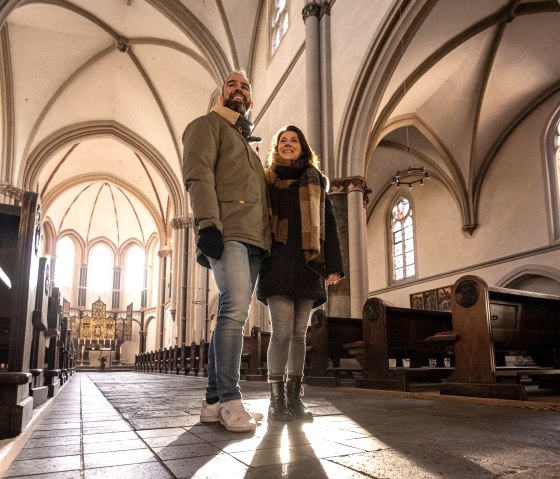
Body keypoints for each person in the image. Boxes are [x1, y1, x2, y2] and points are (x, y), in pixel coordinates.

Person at [182, 69, 271, 433]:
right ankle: (231, 399)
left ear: (250, 99)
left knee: (232, 313)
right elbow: (198, 174)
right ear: (223, 96)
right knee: (233, 312)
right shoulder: (208, 125)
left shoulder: (247, 144)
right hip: (228, 231)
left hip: (253, 237)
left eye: (244, 86)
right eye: (232, 84)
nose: (239, 89)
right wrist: (207, 224)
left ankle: (213, 401)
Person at [256, 125, 344, 422]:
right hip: (277, 262)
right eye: (283, 141)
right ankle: (276, 400)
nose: (288, 144)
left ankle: (294, 398)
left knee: (298, 335)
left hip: (309, 264)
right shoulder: (267, 180)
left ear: (303, 147)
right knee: (281, 333)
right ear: (276, 148)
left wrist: (334, 265)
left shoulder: (316, 181)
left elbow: (329, 226)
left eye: (294, 140)